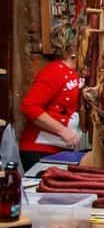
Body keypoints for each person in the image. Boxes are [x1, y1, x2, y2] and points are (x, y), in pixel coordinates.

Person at [20, 25, 83, 169]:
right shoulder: (54, 71)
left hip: (62, 150)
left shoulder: (78, 72)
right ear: (73, 48)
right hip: (40, 150)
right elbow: (29, 106)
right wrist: (63, 131)